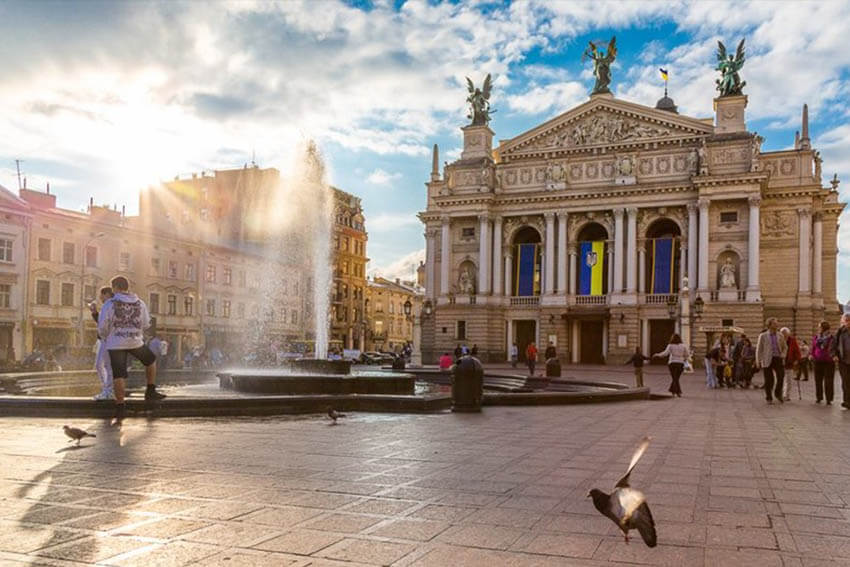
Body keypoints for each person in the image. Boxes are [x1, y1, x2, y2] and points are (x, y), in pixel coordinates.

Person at [97, 275, 165, 424]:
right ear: (127, 286)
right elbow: (147, 324)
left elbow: (102, 327)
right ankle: (150, 390)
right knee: (151, 360)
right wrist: (134, 330)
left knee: (118, 374)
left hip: (115, 343)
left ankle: (120, 407)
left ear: (114, 287)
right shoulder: (139, 303)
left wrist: (107, 336)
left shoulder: (109, 303)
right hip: (135, 341)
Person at [755, 317, 788, 405]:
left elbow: (785, 347)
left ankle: (778, 393)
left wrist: (783, 355)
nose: (777, 324)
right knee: (769, 380)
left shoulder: (780, 335)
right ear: (769, 325)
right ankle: (769, 397)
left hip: (778, 358)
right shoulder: (763, 336)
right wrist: (758, 361)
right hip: (767, 359)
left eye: (777, 323)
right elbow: (759, 349)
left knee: (781, 376)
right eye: (775, 323)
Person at [91, 286, 114, 401]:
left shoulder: (110, 304)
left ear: (107, 294)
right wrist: (95, 313)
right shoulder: (108, 305)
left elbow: (104, 323)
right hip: (104, 339)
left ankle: (109, 391)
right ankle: (106, 389)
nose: (100, 297)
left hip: (108, 339)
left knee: (107, 366)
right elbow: (101, 321)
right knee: (100, 365)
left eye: (101, 295)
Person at [811, 321, 835, 405]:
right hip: (817, 361)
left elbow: (833, 349)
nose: (818, 328)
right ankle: (819, 397)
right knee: (818, 380)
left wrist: (831, 357)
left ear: (823, 328)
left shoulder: (831, 338)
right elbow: (813, 348)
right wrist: (813, 356)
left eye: (819, 327)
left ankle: (829, 399)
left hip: (828, 362)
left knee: (828, 381)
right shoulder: (816, 337)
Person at [832, 313, 850, 410]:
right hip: (843, 361)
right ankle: (847, 401)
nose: (847, 323)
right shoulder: (839, 332)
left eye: (849, 320)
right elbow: (833, 345)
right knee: (845, 381)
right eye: (846, 320)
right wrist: (834, 355)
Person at [781, 327, 801, 401]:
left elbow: (797, 350)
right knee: (780, 379)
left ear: (788, 334)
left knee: (788, 380)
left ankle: (786, 395)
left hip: (789, 362)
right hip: (780, 362)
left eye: (785, 334)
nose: (783, 336)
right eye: (782, 334)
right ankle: (780, 393)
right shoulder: (779, 340)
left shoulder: (792, 340)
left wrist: (797, 360)